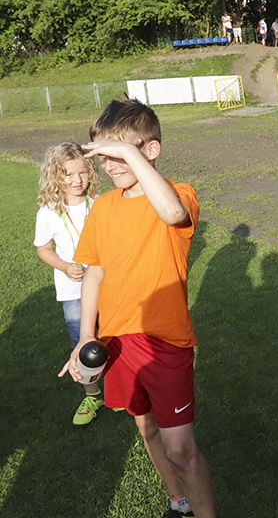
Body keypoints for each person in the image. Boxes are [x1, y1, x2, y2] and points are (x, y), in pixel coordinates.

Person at [60, 99, 215, 518]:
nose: (110, 165)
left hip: (164, 342)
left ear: (150, 151)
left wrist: (129, 153)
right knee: (145, 425)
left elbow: (172, 212)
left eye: (119, 154)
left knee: (181, 447)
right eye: (104, 156)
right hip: (116, 343)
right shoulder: (104, 208)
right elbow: (94, 272)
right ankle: (178, 502)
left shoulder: (178, 194)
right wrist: (87, 337)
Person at [35, 142, 106, 425]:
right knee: (83, 344)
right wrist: (64, 266)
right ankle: (92, 395)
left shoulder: (99, 203)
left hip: (105, 285)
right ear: (54, 176)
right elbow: (43, 248)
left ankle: (118, 392)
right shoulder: (48, 212)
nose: (77, 180)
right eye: (68, 174)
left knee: (112, 336)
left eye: (82, 173)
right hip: (72, 292)